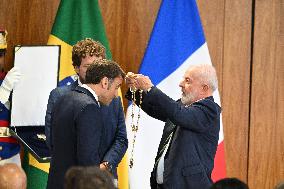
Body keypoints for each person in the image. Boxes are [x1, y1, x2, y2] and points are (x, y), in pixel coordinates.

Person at [125, 64, 221, 189]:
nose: (181, 84)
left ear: (204, 88)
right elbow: (159, 110)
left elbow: (177, 113)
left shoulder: (209, 110)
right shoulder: (183, 108)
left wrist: (150, 88)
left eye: (188, 81)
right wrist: (135, 90)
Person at [45, 39, 128, 180]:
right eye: (89, 66)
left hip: (105, 176)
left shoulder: (114, 98)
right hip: (77, 179)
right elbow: (53, 141)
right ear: (76, 68)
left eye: (99, 65)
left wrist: (106, 165)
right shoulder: (60, 96)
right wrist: (95, 170)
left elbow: (121, 138)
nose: (95, 71)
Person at [0, 29, 22, 165]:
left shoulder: (12, 80)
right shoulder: (8, 84)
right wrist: (4, 90)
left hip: (11, 154)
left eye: (0, 54)